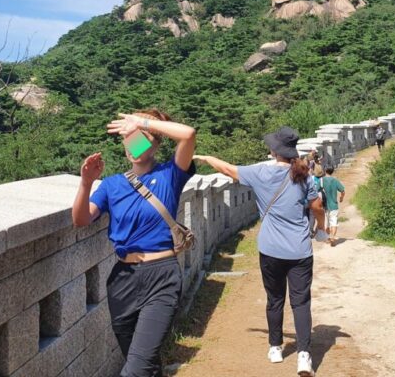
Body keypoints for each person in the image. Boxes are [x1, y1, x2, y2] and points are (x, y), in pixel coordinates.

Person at [72, 109, 197, 377]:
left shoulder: (170, 174)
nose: (134, 143)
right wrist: (85, 183)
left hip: (161, 277)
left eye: (141, 138)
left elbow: (188, 134)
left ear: (157, 141)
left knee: (135, 369)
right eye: (129, 138)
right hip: (123, 280)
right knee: (144, 363)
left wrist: (141, 123)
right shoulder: (112, 185)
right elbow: (82, 220)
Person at [195, 127, 327, 377]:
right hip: (300, 250)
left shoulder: (259, 172)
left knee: (275, 299)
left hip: (270, 249)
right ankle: (303, 356)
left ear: (273, 151)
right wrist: (321, 229)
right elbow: (317, 206)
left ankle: (275, 347)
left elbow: (227, 169)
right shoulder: (304, 174)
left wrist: (205, 158)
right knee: (301, 302)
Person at [319, 170, 345, 246]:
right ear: (332, 172)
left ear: (325, 171)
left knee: (326, 223)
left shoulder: (321, 180)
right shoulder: (335, 180)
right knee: (334, 222)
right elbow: (343, 191)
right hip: (334, 205)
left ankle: (327, 238)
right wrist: (341, 198)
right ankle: (332, 237)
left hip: (325, 205)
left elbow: (315, 191)